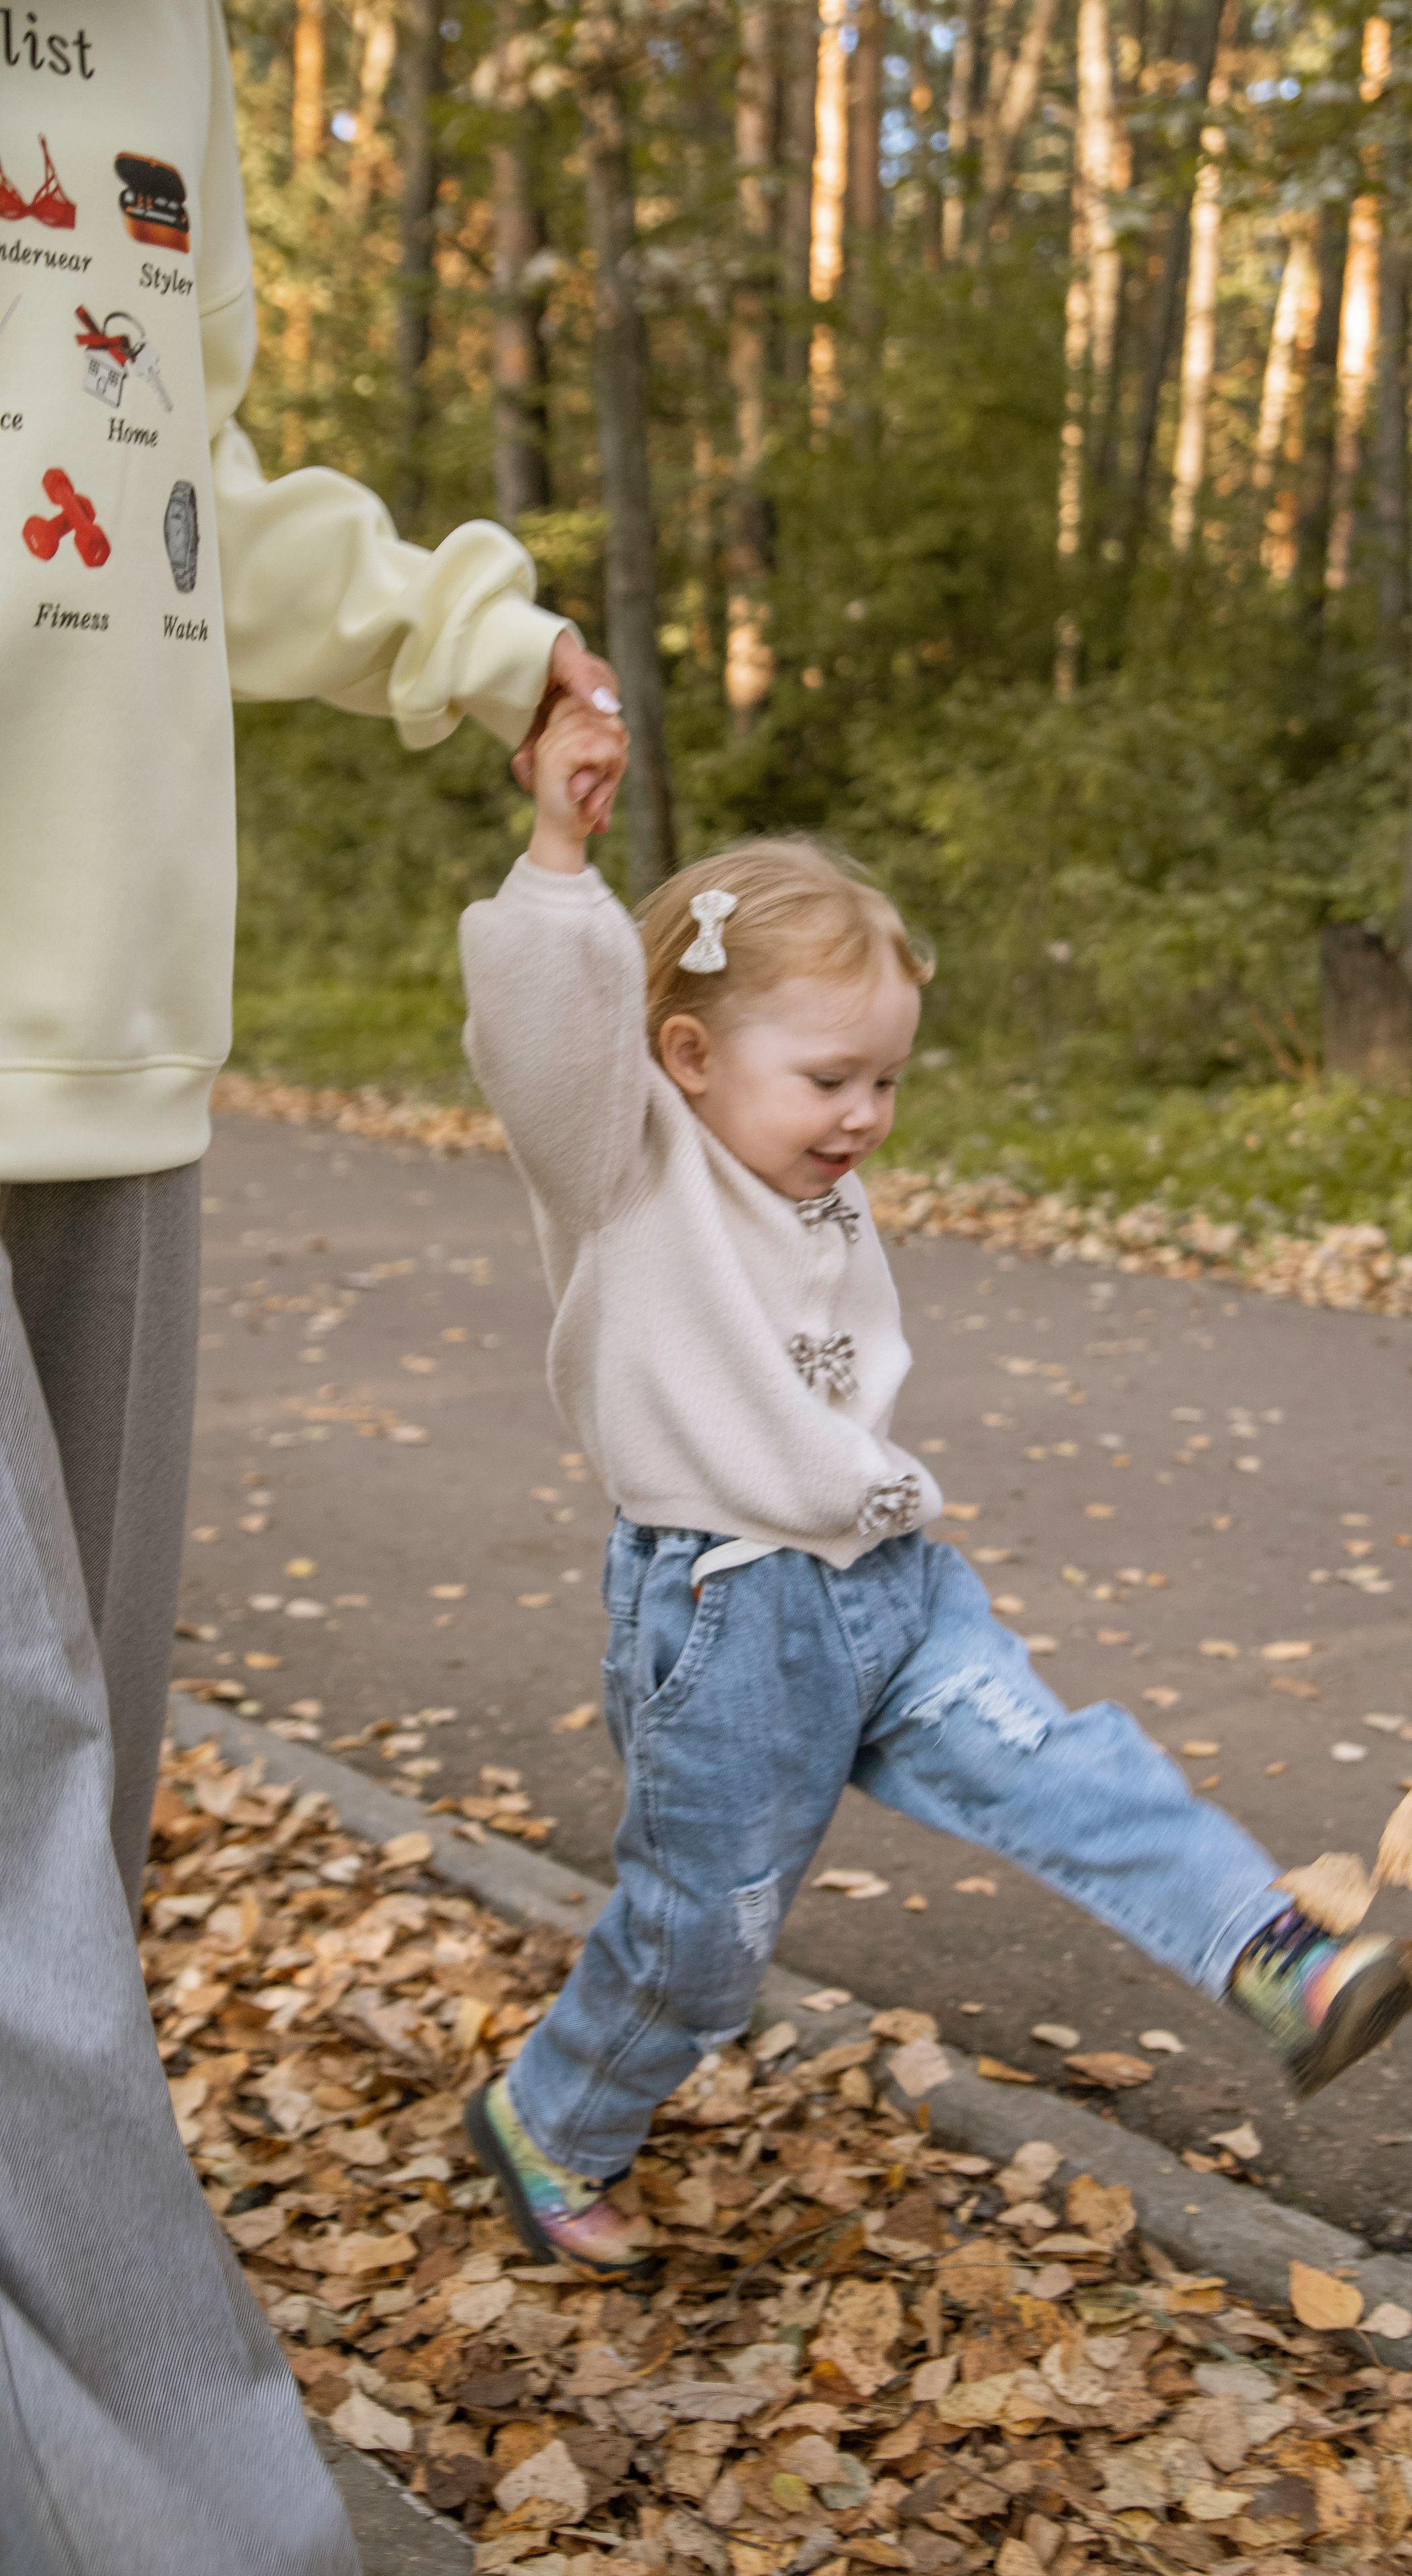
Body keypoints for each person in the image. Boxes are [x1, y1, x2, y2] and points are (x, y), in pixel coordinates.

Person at [455, 700, 1412, 2279]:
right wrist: (558, 853)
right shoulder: (621, 1169)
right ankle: (550, 2117)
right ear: (686, 1055)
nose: (862, 1118)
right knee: (702, 1945)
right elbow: (538, 1040)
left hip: (887, 1590)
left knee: (1067, 1768)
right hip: (727, 1627)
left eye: (886, 1083)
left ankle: (1277, 1961)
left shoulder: (814, 1182)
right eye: (830, 1080)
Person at [0, 7, 625, 2565]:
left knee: (82, 1830)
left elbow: (162, 475)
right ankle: (203, 2521)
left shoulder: (161, 50)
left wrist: (469, 641)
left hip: (113, 1059)